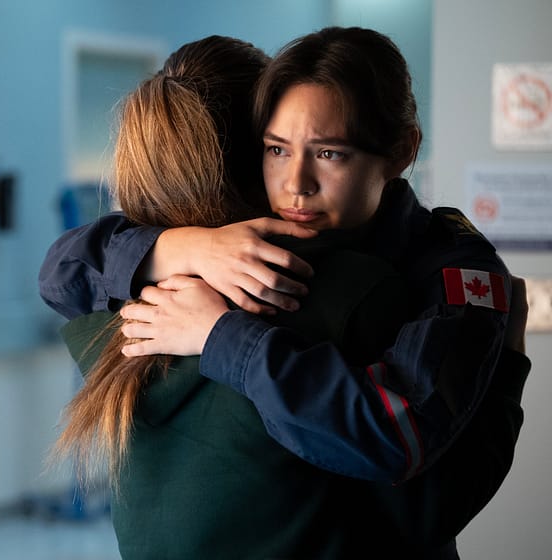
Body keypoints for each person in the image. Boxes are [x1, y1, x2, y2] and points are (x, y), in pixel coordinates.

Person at [45, 32, 531, 559]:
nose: (297, 184)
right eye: (276, 149)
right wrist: (187, 248)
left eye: (329, 153)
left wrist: (220, 332)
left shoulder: (441, 268)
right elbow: (60, 271)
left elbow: (399, 438)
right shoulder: (226, 263)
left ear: (401, 152)